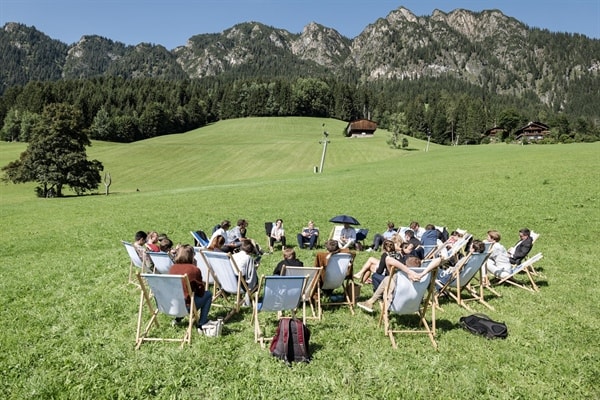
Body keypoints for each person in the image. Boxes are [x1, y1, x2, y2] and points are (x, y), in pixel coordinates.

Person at [357, 245, 442, 313]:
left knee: (386, 279)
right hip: (415, 306)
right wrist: (424, 273)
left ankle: (371, 301)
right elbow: (439, 259)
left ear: (406, 265)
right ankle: (370, 301)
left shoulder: (399, 277)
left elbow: (388, 259)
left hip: (396, 305)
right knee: (387, 279)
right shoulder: (424, 277)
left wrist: (408, 272)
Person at [168, 244, 213, 334]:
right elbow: (201, 292)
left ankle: (178, 318)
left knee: (183, 294)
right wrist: (195, 268)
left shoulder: (172, 268)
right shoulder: (193, 270)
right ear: (191, 256)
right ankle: (202, 322)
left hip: (173, 306)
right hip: (187, 306)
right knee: (208, 294)